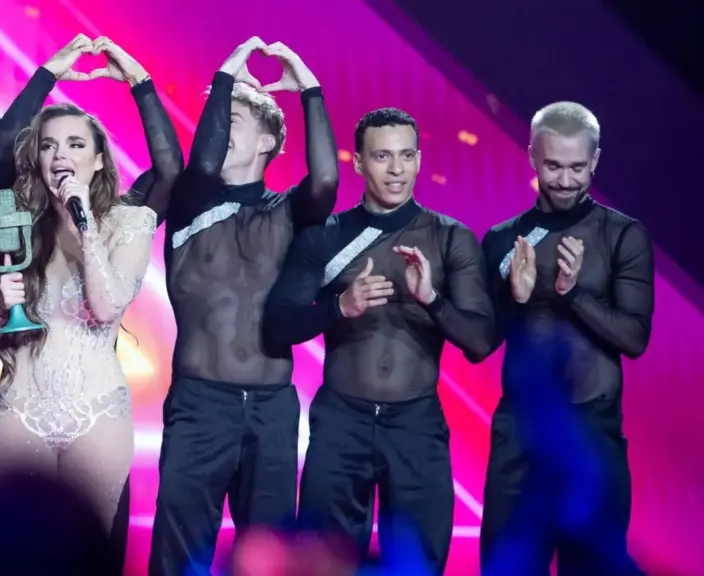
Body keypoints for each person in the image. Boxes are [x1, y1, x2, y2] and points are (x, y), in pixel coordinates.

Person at [0, 34, 181, 572]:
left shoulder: (127, 223)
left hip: (96, 415)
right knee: (10, 557)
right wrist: (1, 304)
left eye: (74, 144)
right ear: (36, 157)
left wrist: (84, 223)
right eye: (48, 144)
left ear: (97, 158)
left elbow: (107, 305)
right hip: (20, 409)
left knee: (83, 558)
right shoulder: (14, 225)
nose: (60, 154)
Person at [263, 107, 494, 573]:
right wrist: (338, 308)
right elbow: (277, 327)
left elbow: (482, 342)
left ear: (419, 160)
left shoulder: (451, 239)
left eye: (406, 156)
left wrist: (431, 299)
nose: (396, 169)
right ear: (358, 162)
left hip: (417, 424)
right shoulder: (326, 236)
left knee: (417, 564)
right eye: (383, 156)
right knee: (321, 562)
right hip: (340, 424)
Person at [149, 36, 338, 576]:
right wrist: (226, 73)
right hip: (199, 406)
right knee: (178, 553)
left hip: (273, 410)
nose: (219, 127)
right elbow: (204, 161)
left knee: (272, 556)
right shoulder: (189, 201)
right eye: (218, 117)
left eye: (234, 119)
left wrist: (310, 88)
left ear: (268, 141)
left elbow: (326, 180)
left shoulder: (288, 211)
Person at [473, 102, 653, 576]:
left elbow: (634, 338)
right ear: (532, 156)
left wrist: (571, 297)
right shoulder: (503, 240)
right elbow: (479, 344)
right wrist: (515, 298)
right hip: (520, 434)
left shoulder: (623, 236)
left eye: (578, 167)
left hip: (593, 433)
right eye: (554, 165)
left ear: (595, 160)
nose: (567, 180)